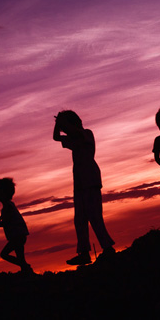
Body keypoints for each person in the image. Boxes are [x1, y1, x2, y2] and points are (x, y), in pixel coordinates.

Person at [53, 110, 115, 266]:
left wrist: (63, 122)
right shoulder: (73, 139)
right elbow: (56, 137)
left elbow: (75, 132)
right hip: (80, 183)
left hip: (90, 180)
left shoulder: (86, 133)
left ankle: (107, 247)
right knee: (80, 219)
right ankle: (84, 253)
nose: (65, 131)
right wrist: (58, 124)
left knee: (94, 216)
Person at [0, 178, 33, 274]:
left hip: (17, 236)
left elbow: (6, 222)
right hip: (19, 235)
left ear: (3, 193)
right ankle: (26, 270)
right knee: (20, 256)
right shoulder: (9, 205)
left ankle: (25, 267)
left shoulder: (8, 207)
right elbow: (5, 219)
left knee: (4, 254)